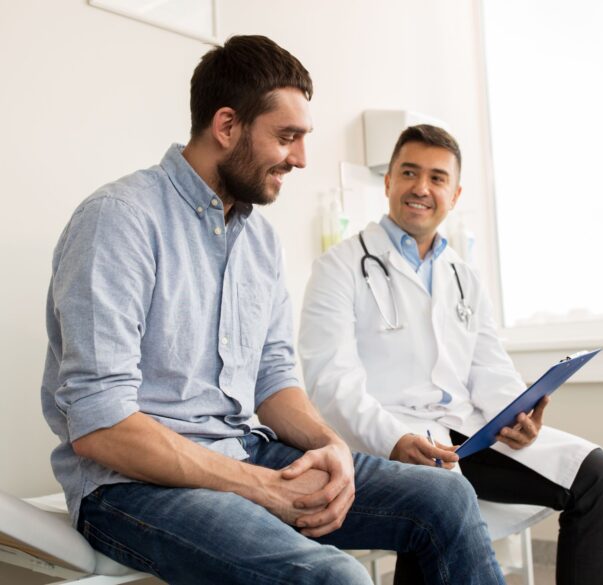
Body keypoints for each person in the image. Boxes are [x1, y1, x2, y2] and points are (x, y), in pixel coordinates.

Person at [40, 38, 506, 585]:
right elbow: (101, 426)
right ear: (227, 125)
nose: (301, 158)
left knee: (446, 497)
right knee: (337, 578)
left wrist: (331, 446)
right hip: (131, 486)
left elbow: (274, 380)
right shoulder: (119, 220)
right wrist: (258, 486)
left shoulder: (258, 239)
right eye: (287, 137)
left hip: (244, 450)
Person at [299, 124, 603, 585]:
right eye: (409, 172)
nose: (421, 187)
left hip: (467, 435)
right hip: (387, 439)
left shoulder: (463, 276)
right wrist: (393, 439)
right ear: (388, 181)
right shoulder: (338, 268)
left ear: (454, 194)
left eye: (437, 178)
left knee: (600, 475)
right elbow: (330, 383)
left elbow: (489, 367)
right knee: (437, 502)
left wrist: (518, 413)